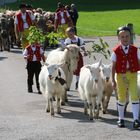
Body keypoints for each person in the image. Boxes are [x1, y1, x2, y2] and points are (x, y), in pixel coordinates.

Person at [111, 26, 140, 129]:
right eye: (122, 36)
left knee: (135, 96)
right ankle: (121, 119)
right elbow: (113, 67)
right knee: (122, 97)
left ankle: (136, 119)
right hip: (120, 76)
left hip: (133, 75)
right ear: (119, 38)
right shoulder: (115, 51)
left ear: (130, 37)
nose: (125, 38)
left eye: (127, 36)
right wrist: (113, 80)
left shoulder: (136, 50)